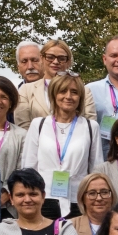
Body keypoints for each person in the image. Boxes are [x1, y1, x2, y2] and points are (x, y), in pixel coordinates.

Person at [19, 75, 101, 219]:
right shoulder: (38, 124)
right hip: (44, 200)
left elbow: (96, 168)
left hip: (77, 201)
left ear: (80, 97)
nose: (68, 96)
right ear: (54, 94)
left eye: (74, 92)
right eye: (63, 91)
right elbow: (29, 167)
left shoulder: (90, 127)